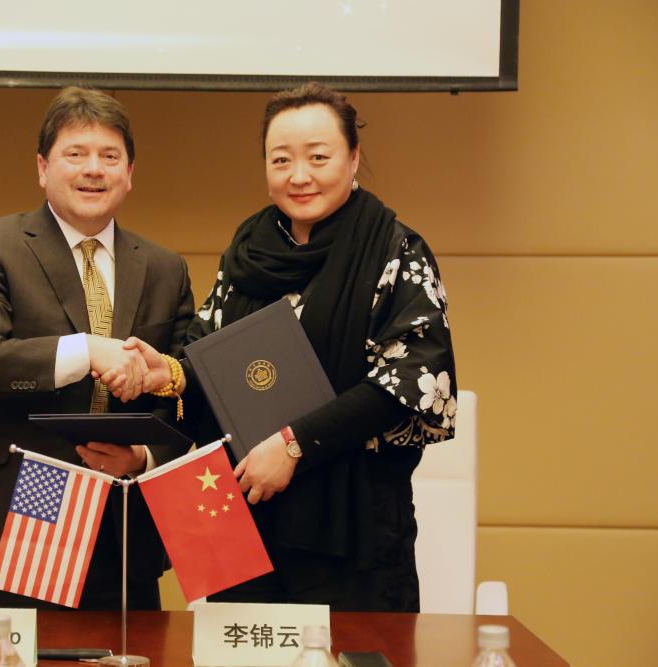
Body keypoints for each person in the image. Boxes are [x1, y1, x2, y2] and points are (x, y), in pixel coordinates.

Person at [109, 83, 456, 612]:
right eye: (281, 160)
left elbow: (411, 381)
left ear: (353, 157)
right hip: (243, 520)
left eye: (318, 157)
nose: (299, 175)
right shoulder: (249, 251)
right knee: (239, 647)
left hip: (352, 531)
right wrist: (171, 373)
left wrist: (295, 445)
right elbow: (212, 356)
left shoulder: (395, 251)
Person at [0, 86, 195, 609]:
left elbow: (185, 389)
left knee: (132, 651)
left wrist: (144, 456)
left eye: (109, 156)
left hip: (120, 527)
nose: (93, 169)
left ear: (129, 173)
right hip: (16, 519)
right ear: (43, 168)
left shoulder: (165, 268)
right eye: (76, 154)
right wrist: (87, 351)